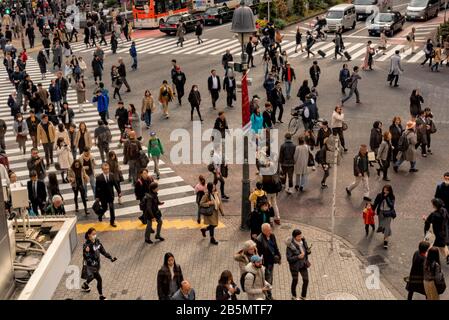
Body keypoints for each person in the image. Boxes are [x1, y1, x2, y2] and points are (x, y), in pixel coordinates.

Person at [81, 228, 117, 300]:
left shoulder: (97, 241)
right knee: (99, 279)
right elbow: (86, 256)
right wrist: (92, 262)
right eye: (93, 234)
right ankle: (101, 296)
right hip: (91, 266)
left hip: (97, 264)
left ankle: (85, 285)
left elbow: (103, 251)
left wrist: (110, 258)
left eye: (95, 234)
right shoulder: (86, 245)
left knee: (93, 276)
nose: (95, 235)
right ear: (89, 235)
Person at [286, 229, 310, 300]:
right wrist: (298, 257)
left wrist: (308, 251)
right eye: (298, 236)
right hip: (295, 266)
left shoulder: (303, 241)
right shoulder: (290, 246)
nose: (300, 237)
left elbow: (306, 250)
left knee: (306, 280)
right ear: (294, 237)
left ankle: (303, 296)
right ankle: (294, 296)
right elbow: (289, 259)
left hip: (303, 264)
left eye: (301, 235)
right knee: (295, 280)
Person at [424, 198, 449, 264]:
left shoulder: (434, 214)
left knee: (429, 245)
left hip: (436, 234)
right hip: (443, 232)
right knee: (443, 246)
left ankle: (426, 258)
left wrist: (425, 219)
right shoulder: (444, 211)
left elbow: (428, 221)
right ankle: (447, 257)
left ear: (435, 205)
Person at [373, 185, 396, 249]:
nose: (385, 191)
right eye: (384, 189)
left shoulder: (392, 196)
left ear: (389, 191)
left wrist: (387, 198)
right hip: (381, 213)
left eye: (387, 190)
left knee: (386, 227)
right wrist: (372, 210)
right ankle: (387, 232)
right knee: (382, 226)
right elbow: (375, 203)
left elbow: (391, 206)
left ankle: (385, 241)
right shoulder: (379, 195)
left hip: (388, 213)